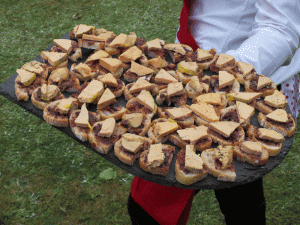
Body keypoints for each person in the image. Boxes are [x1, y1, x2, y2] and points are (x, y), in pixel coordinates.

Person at [127, 1, 300, 224]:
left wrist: (218, 75)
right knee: (240, 196)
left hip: (237, 86)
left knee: (148, 209)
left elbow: (280, 27)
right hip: (194, 70)